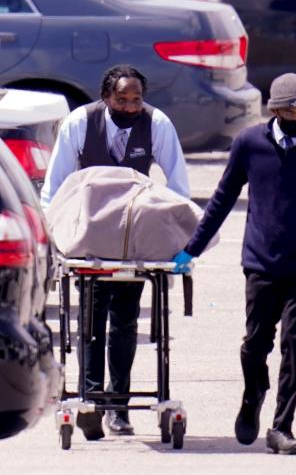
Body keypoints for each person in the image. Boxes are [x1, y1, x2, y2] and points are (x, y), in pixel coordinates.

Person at [175, 73, 296, 455]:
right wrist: (192, 248)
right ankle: (254, 393)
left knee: (295, 341)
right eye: (290, 108)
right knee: (254, 344)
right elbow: (222, 198)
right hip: (261, 263)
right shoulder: (250, 144)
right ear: (275, 110)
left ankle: (282, 426)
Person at [41, 64, 191, 441]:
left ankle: (119, 406)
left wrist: (179, 238)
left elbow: (178, 185)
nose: (129, 105)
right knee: (90, 321)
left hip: (132, 237)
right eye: (121, 99)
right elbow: (54, 186)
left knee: (125, 322)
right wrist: (55, 238)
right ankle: (91, 401)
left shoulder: (157, 124)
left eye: (136, 98)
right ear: (106, 97)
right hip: (91, 236)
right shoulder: (79, 123)